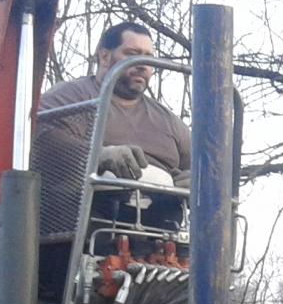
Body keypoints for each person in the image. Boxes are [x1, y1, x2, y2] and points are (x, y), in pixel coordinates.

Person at [37, 21, 191, 184]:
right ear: (104, 57)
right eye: (132, 54)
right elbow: (39, 137)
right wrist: (97, 157)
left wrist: (193, 182)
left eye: (149, 58)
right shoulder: (72, 96)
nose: (143, 65)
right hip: (94, 198)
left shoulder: (168, 121)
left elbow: (202, 165)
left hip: (162, 199)